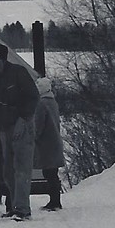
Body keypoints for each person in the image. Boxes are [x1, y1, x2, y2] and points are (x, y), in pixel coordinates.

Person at [0, 43, 39, 221]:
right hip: (4, 127)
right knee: (8, 171)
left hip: (21, 125)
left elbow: (33, 97)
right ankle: (15, 206)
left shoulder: (18, 73)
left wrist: (23, 120)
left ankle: (22, 208)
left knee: (21, 168)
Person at [34, 77, 65, 211]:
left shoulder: (41, 103)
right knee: (52, 172)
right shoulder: (53, 102)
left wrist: (33, 136)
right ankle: (55, 200)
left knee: (49, 173)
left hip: (46, 142)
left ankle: (54, 202)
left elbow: (38, 124)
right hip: (54, 140)